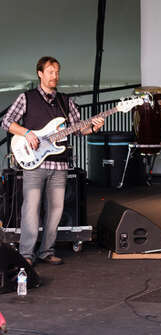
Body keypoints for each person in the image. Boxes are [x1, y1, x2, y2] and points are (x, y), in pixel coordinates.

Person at [1, 56, 105, 265]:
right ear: (40, 73)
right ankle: (26, 254)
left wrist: (93, 126)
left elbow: (78, 128)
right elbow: (7, 122)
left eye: (57, 72)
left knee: (56, 209)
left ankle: (46, 251)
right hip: (35, 163)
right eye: (50, 72)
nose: (54, 76)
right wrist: (28, 133)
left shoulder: (64, 101)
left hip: (60, 164)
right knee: (30, 207)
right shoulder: (27, 98)